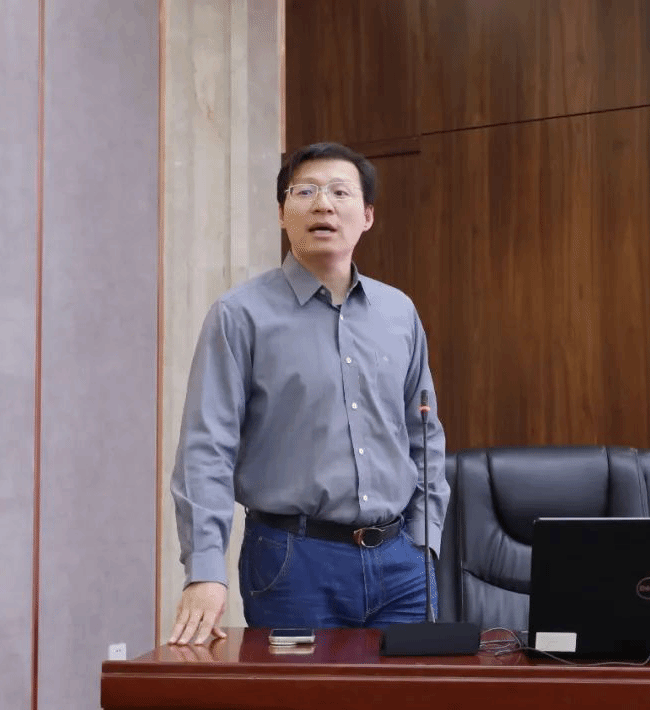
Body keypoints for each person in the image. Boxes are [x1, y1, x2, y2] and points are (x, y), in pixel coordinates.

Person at [168, 142, 447, 645]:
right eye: (305, 192)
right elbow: (206, 450)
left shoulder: (399, 313)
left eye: (340, 192)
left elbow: (424, 436)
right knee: (303, 689)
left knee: (407, 690)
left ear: (367, 216)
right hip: (293, 562)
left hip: (401, 565)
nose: (323, 205)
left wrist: (425, 544)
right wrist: (205, 570)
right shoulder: (240, 315)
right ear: (282, 213)